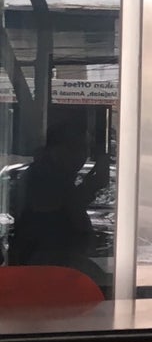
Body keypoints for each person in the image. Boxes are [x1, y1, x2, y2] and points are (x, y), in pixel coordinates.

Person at [8, 122, 111, 290]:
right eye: (74, 148)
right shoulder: (42, 175)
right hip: (45, 267)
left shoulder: (60, 175)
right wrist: (90, 186)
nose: (81, 156)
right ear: (54, 149)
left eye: (84, 149)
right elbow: (52, 210)